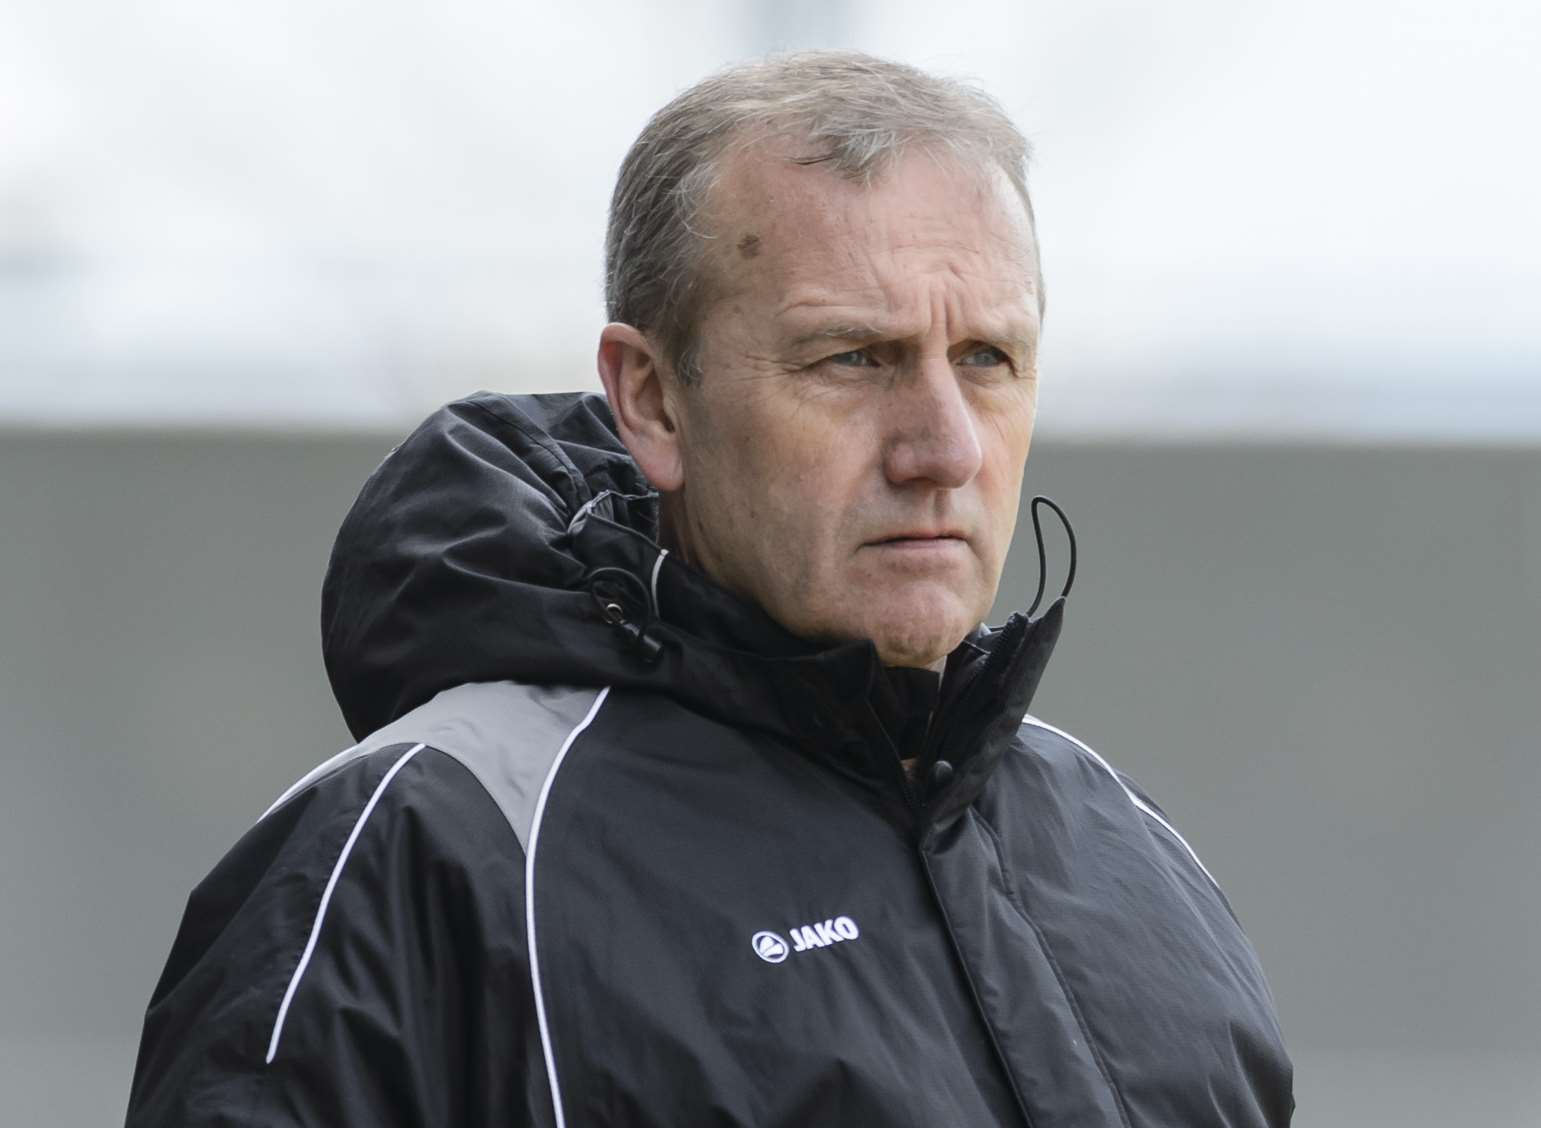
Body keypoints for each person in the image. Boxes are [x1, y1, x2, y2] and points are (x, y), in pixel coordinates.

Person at [125, 51, 1293, 1126]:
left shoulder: (1130, 851)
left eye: (986, 359)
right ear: (651, 401)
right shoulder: (425, 852)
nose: (943, 447)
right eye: (852, 358)